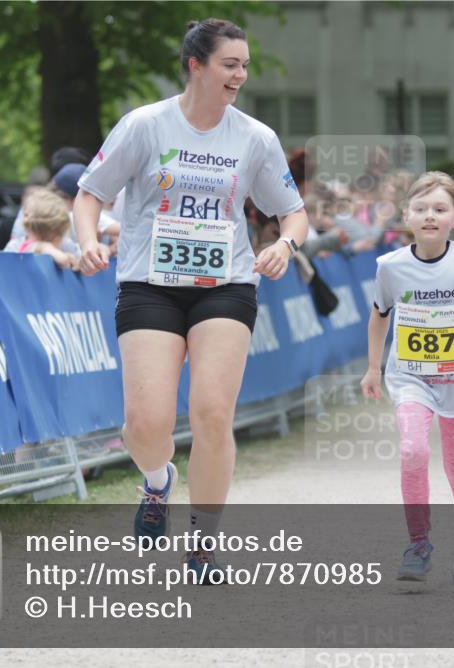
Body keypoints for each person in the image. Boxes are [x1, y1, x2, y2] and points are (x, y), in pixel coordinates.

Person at [74, 18, 309, 582]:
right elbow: (89, 195)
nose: (240, 75)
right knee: (145, 424)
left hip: (226, 285)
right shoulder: (145, 125)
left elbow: (293, 212)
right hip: (149, 283)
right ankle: (158, 482)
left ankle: (202, 546)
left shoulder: (255, 137)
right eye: (230, 64)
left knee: (212, 412)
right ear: (196, 65)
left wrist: (285, 244)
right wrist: (86, 241)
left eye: (245, 66)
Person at [360, 171, 454, 584]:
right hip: (410, 376)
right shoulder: (390, 266)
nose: (429, 216)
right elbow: (379, 316)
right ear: (406, 216)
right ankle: (418, 543)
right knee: (413, 450)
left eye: (440, 209)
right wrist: (374, 367)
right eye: (420, 208)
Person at [3, 188, 79, 270]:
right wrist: (44, 248)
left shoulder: (65, 245)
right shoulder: (16, 247)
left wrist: (76, 262)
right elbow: (62, 260)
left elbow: (81, 259)